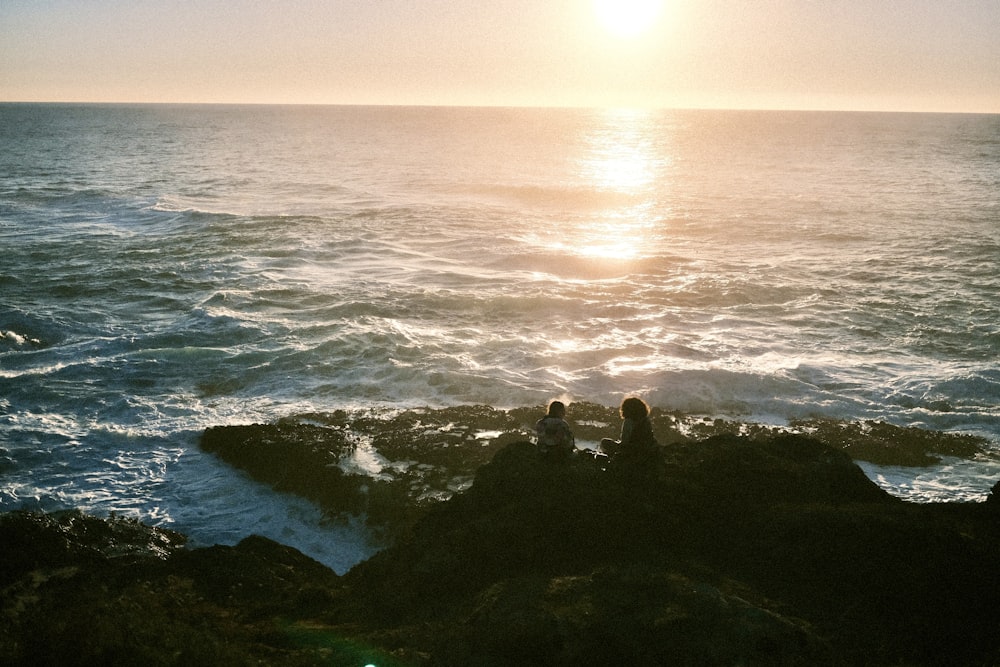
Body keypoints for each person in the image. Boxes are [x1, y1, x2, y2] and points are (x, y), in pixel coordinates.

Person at [600, 396, 658, 465]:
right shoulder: (645, 420)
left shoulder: (629, 421)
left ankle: (612, 460)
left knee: (605, 442)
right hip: (646, 450)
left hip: (631, 451)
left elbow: (625, 442)